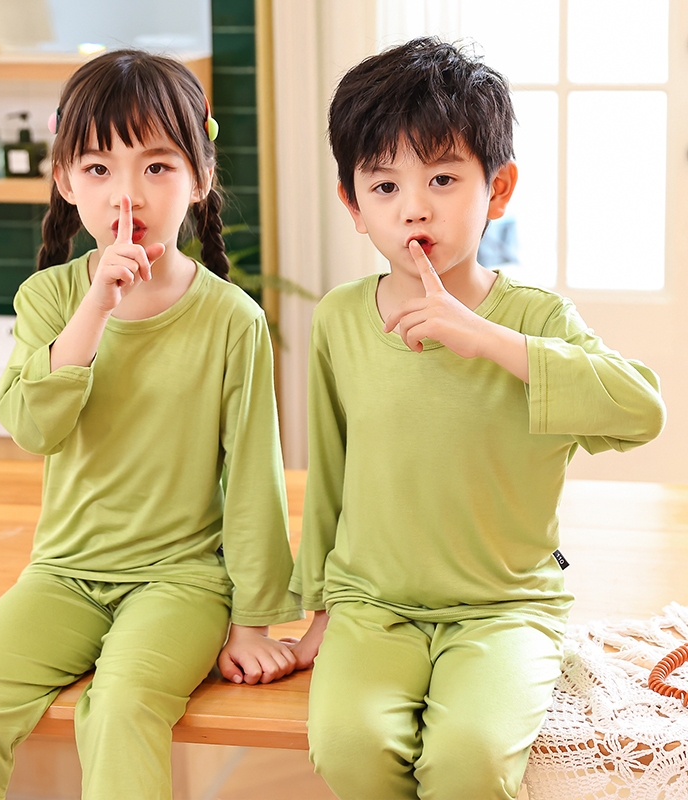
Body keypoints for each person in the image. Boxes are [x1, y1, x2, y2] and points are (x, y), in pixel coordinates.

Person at [288, 37, 666, 800]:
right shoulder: (338, 321)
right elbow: (327, 478)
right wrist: (320, 611)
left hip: (504, 608)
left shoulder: (536, 318)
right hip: (374, 604)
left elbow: (640, 411)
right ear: (351, 204)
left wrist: (490, 339)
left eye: (443, 178)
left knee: (470, 759)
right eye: (384, 185)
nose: (414, 206)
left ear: (498, 190)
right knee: (349, 747)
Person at [0, 49, 301, 800]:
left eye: (158, 167)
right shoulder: (46, 300)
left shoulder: (233, 322)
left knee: (122, 708)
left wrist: (255, 619)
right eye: (99, 169)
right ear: (65, 181)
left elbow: (253, 478)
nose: (129, 193)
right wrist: (95, 306)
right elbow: (34, 427)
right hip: (62, 573)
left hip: (181, 582)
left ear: (200, 177)